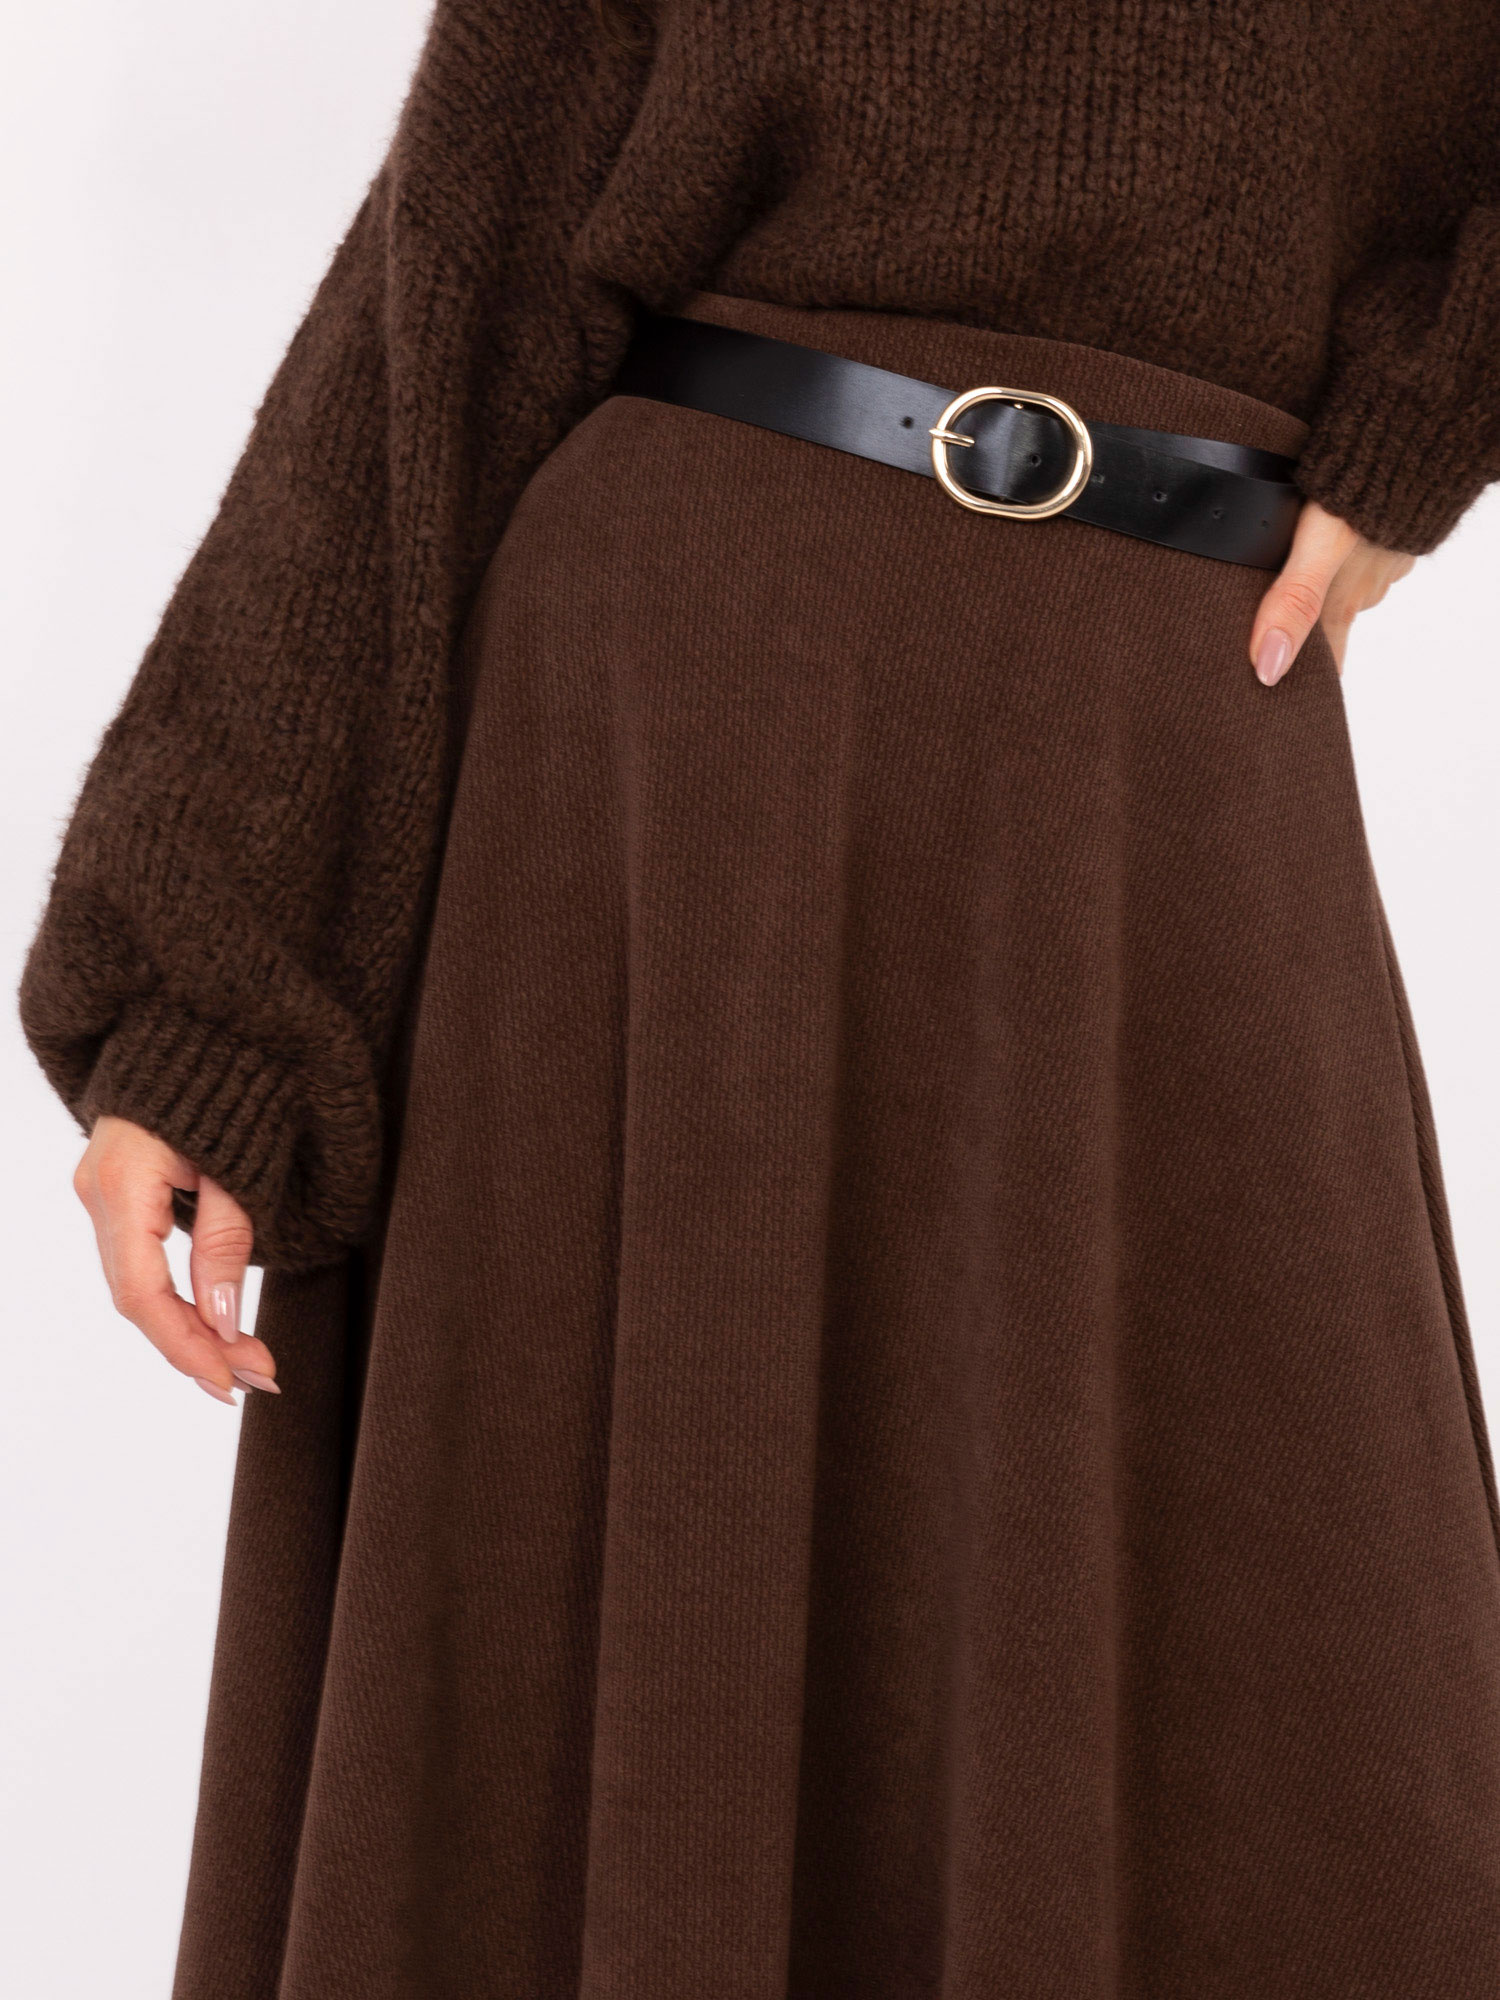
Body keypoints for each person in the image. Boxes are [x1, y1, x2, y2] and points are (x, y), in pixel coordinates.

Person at [20, 2, 1500, 1994]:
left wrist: (1441, 401)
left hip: (1157, 758)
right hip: (669, 769)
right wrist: (209, 969)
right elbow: (464, 262)